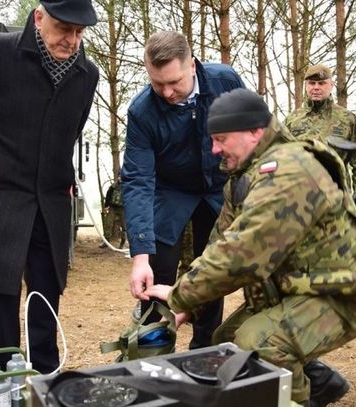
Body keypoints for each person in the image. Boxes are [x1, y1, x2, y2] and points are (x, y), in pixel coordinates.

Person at [144, 88, 356, 406]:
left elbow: (243, 254)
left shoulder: (287, 171)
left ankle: (295, 398)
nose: (214, 149)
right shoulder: (244, 180)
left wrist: (179, 294)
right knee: (225, 342)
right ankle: (319, 384)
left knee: (261, 342)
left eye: (221, 139)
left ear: (254, 132)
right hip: (297, 289)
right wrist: (190, 305)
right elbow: (221, 244)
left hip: (341, 293)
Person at [0, 0, 98, 373]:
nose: (72, 41)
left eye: (80, 32)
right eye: (65, 29)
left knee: (47, 287)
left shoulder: (86, 74)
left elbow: (71, 132)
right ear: (39, 17)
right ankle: (8, 373)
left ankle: (44, 371)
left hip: (51, 198)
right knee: (0, 288)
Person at [122, 31, 245, 349]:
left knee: (212, 270)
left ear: (192, 65)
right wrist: (140, 255)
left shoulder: (225, 81)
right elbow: (137, 181)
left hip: (219, 188)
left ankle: (203, 353)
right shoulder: (142, 111)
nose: (165, 92)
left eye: (173, 82)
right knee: (157, 274)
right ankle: (152, 353)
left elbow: (250, 137)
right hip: (171, 191)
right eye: (156, 83)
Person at [285, 64, 356, 218]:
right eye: (312, 83)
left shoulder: (347, 119)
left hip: (337, 201)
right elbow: (281, 159)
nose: (316, 87)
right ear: (306, 86)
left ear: (331, 85)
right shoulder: (292, 121)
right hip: (300, 202)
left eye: (322, 83)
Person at [100, 179, 127, 249]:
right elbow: (108, 195)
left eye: (122, 176)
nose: (120, 178)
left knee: (124, 227)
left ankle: (122, 242)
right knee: (107, 223)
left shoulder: (127, 186)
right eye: (119, 176)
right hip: (113, 207)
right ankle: (106, 241)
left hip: (123, 208)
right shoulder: (113, 186)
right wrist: (106, 206)